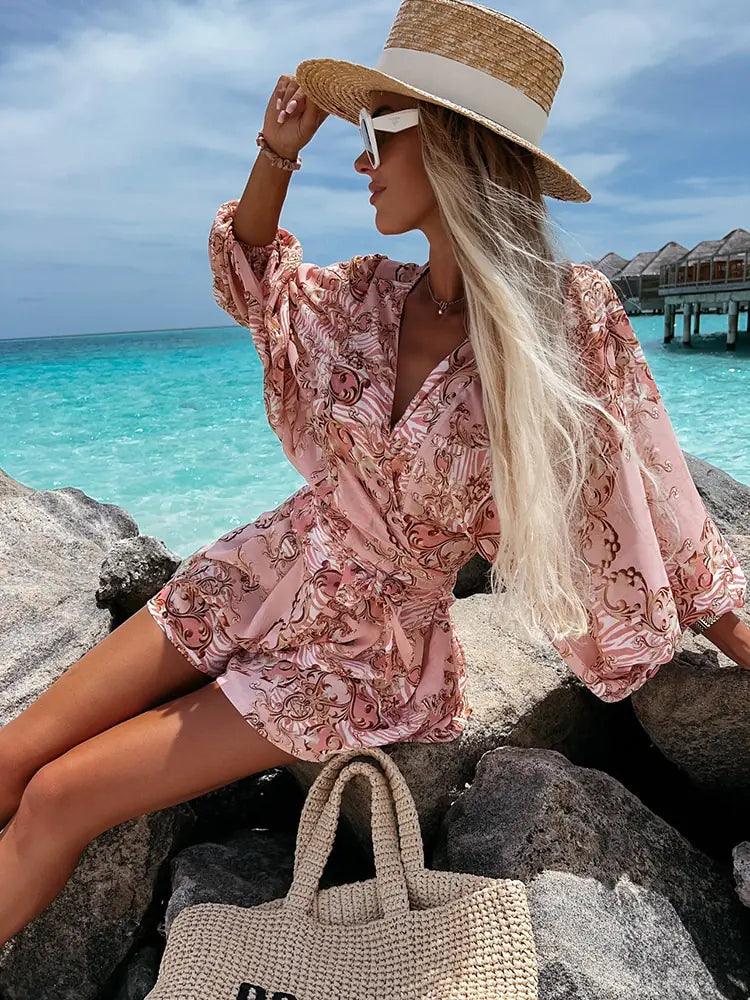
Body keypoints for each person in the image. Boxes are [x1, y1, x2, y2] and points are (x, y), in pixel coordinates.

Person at [0, 0, 747, 948]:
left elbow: (661, 497)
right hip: (262, 566)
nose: (360, 163)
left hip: (361, 649)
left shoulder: (567, 322)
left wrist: (735, 633)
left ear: (454, 145)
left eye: (380, 132)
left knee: (60, 795)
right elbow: (253, 280)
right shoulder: (366, 295)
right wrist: (276, 155)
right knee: (12, 756)